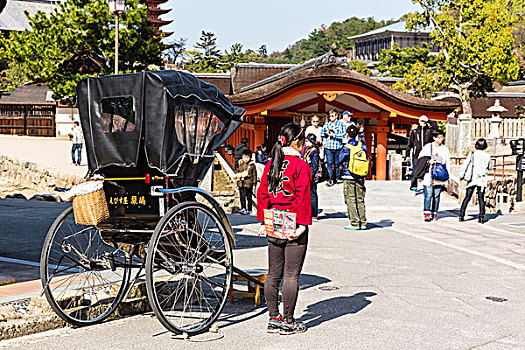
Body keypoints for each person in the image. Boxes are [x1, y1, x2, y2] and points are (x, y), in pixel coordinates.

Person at [257, 123, 311, 335]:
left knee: (273, 274)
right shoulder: (300, 165)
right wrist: (302, 225)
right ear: (298, 141)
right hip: (292, 220)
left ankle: (273, 318)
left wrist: (263, 220)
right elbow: (303, 196)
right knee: (291, 275)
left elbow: (262, 193)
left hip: (273, 219)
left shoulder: (272, 163)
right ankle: (288, 321)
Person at [338, 124, 368, 230]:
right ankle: (363, 222)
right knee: (360, 198)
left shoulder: (346, 147)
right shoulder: (362, 145)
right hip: (360, 175)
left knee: (350, 199)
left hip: (348, 175)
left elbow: (339, 159)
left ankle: (354, 222)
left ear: (347, 135)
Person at [418, 129, 450, 222]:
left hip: (440, 174)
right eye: (439, 137)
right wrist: (429, 161)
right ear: (434, 138)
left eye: (442, 137)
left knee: (436, 195)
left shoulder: (445, 149)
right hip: (429, 173)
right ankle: (427, 212)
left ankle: (434, 211)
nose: (441, 139)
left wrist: (447, 176)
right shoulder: (428, 147)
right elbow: (421, 158)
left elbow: (447, 162)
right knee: (428, 194)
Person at [459, 138, 493, 223]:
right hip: (482, 180)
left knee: (467, 197)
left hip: (472, 179)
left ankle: (461, 215)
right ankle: (481, 217)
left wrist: (461, 175)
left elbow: (465, 165)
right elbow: (490, 167)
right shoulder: (487, 156)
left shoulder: (472, 154)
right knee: (481, 198)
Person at [407, 115, 434, 191]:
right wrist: (407, 155)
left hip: (427, 154)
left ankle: (426, 185)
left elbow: (436, 127)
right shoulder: (415, 132)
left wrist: (428, 121)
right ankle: (413, 185)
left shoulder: (429, 131)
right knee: (415, 169)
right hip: (416, 154)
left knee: (426, 169)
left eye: (424, 121)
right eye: (421, 121)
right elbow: (410, 144)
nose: (422, 122)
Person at [321, 110, 346, 186]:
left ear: (336, 116)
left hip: (338, 146)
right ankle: (330, 179)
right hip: (328, 147)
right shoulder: (327, 124)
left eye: (332, 116)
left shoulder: (341, 124)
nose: (331, 117)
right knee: (329, 163)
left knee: (337, 164)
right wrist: (325, 133)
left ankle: (336, 179)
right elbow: (322, 133)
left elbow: (343, 134)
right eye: (330, 116)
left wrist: (334, 135)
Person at [303, 133, 320, 221]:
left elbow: (314, 165)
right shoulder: (306, 150)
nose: (306, 143)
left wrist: (311, 175)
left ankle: (314, 213)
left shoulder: (314, 151)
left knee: (312, 194)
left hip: (311, 175)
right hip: (305, 174)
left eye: (307, 141)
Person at [235, 149, 257, 215]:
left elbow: (254, 175)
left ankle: (249, 209)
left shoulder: (252, 165)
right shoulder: (240, 164)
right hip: (241, 183)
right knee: (242, 196)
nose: (245, 159)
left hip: (248, 183)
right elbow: (237, 171)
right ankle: (243, 208)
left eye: (247, 157)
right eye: (244, 157)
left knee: (249, 197)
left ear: (250, 158)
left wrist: (254, 183)